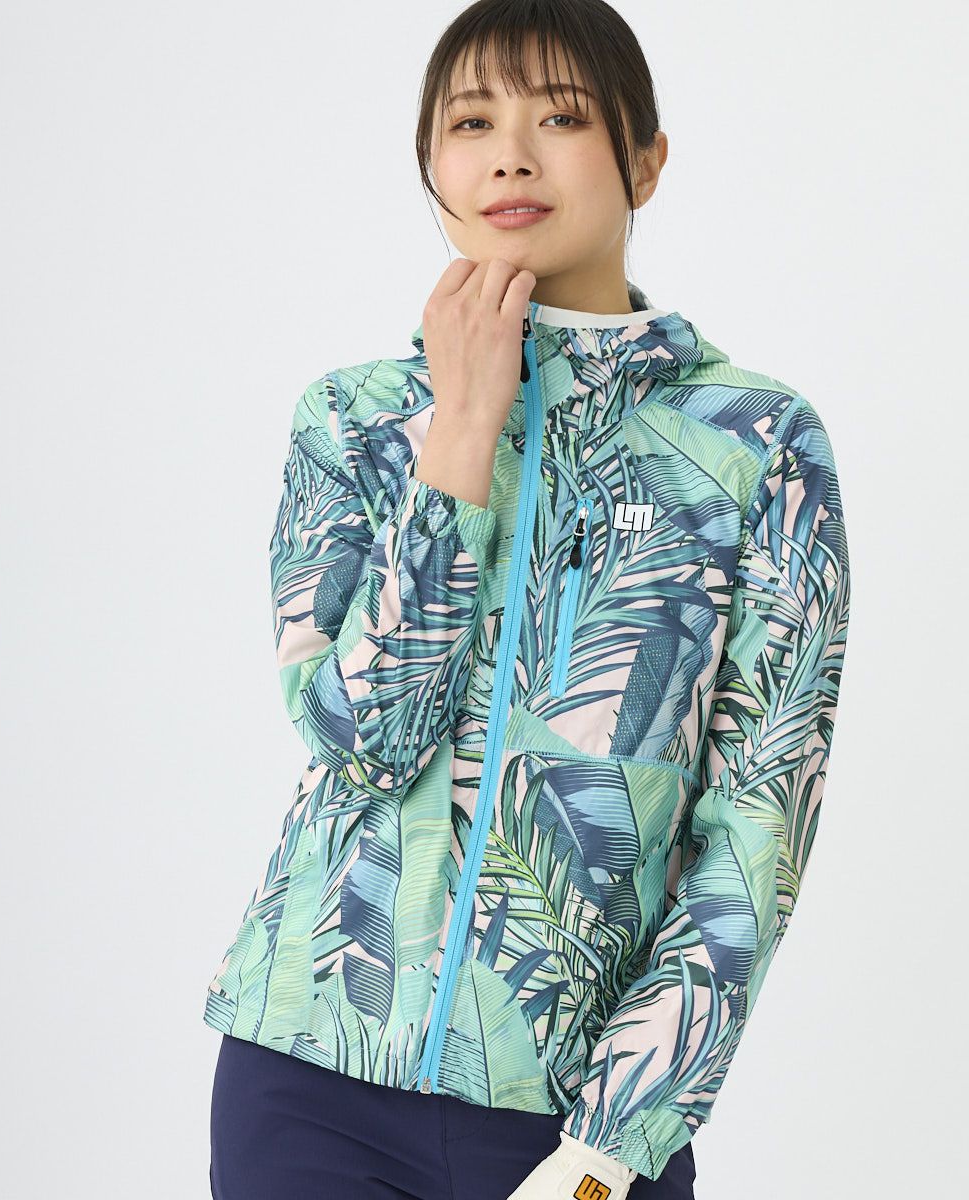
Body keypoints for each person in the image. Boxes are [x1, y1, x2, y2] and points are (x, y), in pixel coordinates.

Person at [204, 2, 852, 1197]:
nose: (509, 155)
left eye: (560, 117)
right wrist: (461, 427)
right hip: (309, 1083)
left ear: (644, 160)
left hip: (576, 1121)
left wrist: (608, 1149)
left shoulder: (754, 443)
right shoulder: (352, 419)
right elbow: (360, 741)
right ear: (431, 165)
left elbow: (759, 821)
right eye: (470, 123)